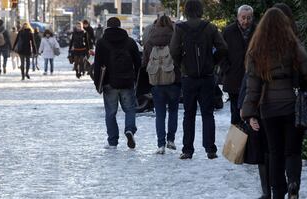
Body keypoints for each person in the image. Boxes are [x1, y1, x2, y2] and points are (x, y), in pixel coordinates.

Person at [242, 8, 307, 199]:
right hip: (292, 106)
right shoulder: (292, 46)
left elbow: (252, 86)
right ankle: (293, 184)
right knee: (292, 151)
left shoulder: (256, 50)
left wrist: (248, 112)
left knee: (274, 152)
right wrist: (302, 82)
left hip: (268, 107)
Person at [170, 0, 228, 160]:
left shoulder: (180, 28)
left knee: (188, 114)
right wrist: (213, 61)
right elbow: (223, 47)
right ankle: (210, 149)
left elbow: (174, 50)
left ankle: (188, 150)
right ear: (201, 10)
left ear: (187, 11)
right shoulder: (210, 27)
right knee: (208, 114)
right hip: (207, 77)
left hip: (188, 78)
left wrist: (182, 64)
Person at [93, 17, 141, 149]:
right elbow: (138, 63)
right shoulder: (130, 42)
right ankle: (129, 129)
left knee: (111, 112)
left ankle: (113, 141)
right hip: (127, 81)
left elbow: (97, 65)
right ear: (120, 26)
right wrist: (136, 79)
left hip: (109, 83)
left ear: (107, 26)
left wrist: (98, 83)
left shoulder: (101, 43)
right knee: (130, 109)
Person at [143, 15, 181, 154]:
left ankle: (161, 145)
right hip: (173, 81)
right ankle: (171, 139)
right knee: (173, 111)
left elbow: (145, 61)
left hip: (156, 82)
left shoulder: (150, 39)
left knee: (159, 114)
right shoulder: (176, 37)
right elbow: (179, 58)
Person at [222, 5, 256, 126]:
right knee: (235, 111)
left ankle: (250, 142)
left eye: (249, 18)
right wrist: (227, 68)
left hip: (253, 77)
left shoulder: (257, 31)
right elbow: (222, 52)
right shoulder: (229, 31)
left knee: (252, 112)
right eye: (243, 18)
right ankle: (236, 141)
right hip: (234, 77)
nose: (246, 21)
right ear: (238, 17)